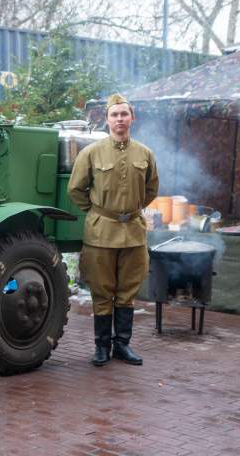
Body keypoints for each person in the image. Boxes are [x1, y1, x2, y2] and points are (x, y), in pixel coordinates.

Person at [67, 93, 159, 367]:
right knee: (101, 290)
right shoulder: (91, 152)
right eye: (114, 115)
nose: (120, 119)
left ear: (132, 118)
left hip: (132, 231)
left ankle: (122, 345)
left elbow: (151, 189)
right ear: (107, 120)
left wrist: (133, 208)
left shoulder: (145, 154)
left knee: (127, 291)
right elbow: (76, 189)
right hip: (101, 234)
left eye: (124, 114)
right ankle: (101, 347)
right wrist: (98, 213)